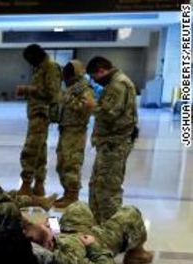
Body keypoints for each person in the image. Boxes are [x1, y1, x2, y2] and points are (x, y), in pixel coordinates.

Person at [23, 201, 153, 264]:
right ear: (50, 244)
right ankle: (136, 252)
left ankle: (93, 226)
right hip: (88, 240)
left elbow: (44, 235)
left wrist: (50, 224)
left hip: (67, 233)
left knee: (78, 206)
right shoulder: (67, 260)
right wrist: (93, 245)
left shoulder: (33, 244)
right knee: (130, 213)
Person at [86, 56, 139, 222]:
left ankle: (111, 229)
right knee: (97, 185)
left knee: (108, 190)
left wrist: (92, 106)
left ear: (101, 70)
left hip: (115, 144)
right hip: (108, 143)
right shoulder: (114, 82)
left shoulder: (118, 84)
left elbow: (110, 113)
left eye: (95, 77)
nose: (96, 82)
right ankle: (98, 224)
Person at [15, 44, 61, 198]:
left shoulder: (50, 67)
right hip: (35, 113)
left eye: (29, 59)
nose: (29, 63)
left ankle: (26, 185)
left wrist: (28, 89)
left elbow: (52, 93)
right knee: (40, 152)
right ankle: (39, 185)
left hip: (41, 114)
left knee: (30, 149)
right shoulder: (41, 67)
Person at [54, 60, 95, 208]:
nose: (65, 76)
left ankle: (72, 196)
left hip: (76, 131)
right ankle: (67, 193)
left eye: (68, 73)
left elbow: (87, 107)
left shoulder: (84, 88)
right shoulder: (71, 88)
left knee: (71, 164)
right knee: (62, 164)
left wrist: (68, 99)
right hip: (65, 129)